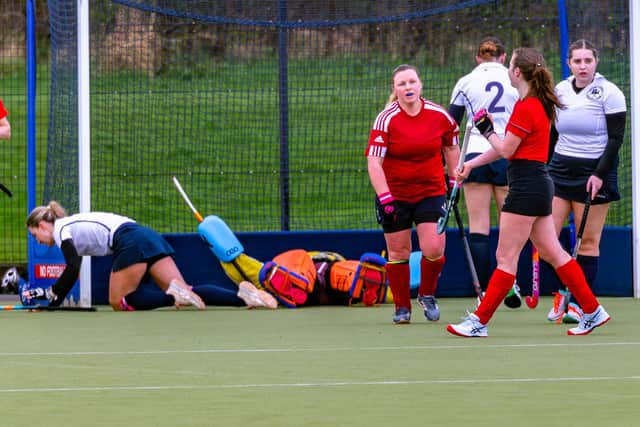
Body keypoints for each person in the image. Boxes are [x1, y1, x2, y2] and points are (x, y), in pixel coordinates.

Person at [446, 47, 610, 337]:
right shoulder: (533, 104)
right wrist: (471, 164)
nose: (508, 70)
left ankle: (479, 322)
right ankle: (593, 310)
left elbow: (506, 149)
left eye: (510, 66)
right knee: (553, 252)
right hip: (536, 183)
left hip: (526, 187)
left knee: (505, 257)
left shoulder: (528, 106)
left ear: (517, 72)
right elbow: (508, 147)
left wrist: (486, 130)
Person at [22, 201, 276, 311]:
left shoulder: (61, 229)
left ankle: (171, 297)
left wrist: (53, 299)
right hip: (145, 235)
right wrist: (53, 297)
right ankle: (245, 297)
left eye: (36, 235)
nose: (39, 240)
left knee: (118, 301)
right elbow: (72, 268)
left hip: (129, 240)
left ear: (44, 225)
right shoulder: (72, 225)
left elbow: (73, 266)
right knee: (188, 289)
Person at [365, 64, 460, 324]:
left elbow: (452, 146)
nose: (408, 88)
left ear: (420, 85)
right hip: (394, 195)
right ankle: (401, 308)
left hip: (431, 191)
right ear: (394, 90)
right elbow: (374, 162)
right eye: (402, 84)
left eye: (411, 82)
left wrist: (454, 180)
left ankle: (427, 294)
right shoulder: (386, 118)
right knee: (398, 252)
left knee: (434, 247)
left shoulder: (439, 116)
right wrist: (385, 198)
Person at [546, 39, 627, 324]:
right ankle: (562, 293)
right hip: (559, 170)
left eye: (588, 61)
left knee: (588, 242)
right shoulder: (560, 90)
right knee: (546, 239)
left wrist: (599, 175)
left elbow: (616, 138)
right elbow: (553, 134)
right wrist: (545, 167)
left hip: (594, 172)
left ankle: (580, 304)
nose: (582, 66)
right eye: (577, 61)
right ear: (568, 63)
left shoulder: (610, 93)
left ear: (596, 62)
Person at [448, 36, 521, 308]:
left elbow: (451, 125)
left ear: (478, 58)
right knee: (509, 225)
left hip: (474, 154)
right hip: (507, 153)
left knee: (479, 225)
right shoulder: (514, 79)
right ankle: (510, 283)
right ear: (503, 57)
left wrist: (450, 164)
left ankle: (484, 291)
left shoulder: (465, 82)